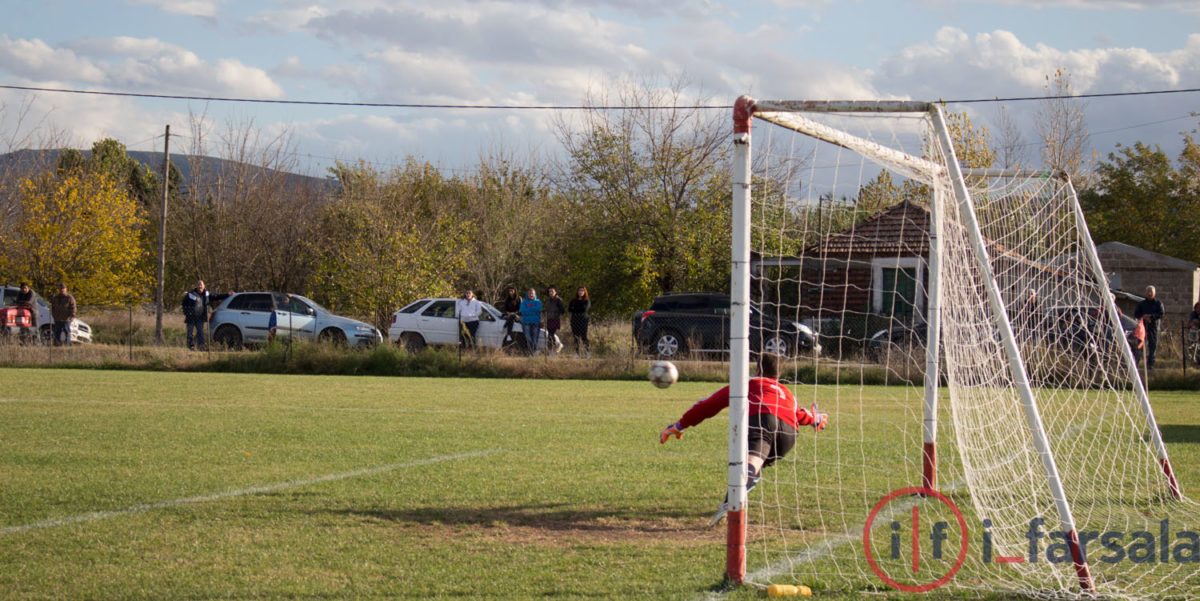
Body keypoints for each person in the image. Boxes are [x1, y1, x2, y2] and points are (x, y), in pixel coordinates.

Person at [659, 353, 828, 525]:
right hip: (789, 435)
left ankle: (730, 504)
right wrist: (816, 419)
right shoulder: (787, 392)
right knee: (753, 467)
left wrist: (680, 425)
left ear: (758, 369)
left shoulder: (749, 384)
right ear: (778, 374)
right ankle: (729, 502)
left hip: (764, 421)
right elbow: (801, 414)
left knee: (749, 463)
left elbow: (710, 404)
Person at [1134, 285, 1165, 370]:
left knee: (1152, 346)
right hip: (1142, 328)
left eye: (1151, 292)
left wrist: (1151, 317)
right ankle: (1135, 363)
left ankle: (1150, 365)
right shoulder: (1142, 304)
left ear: (1154, 293)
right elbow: (1136, 314)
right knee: (1139, 346)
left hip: (1154, 327)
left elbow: (1161, 314)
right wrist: (1143, 316)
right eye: (1148, 292)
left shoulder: (1158, 303)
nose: (1149, 293)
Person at [181, 279, 213, 350]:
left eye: (201, 284)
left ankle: (201, 346)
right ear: (196, 286)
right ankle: (191, 346)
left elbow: (216, 296)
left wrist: (227, 295)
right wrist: (186, 312)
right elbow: (183, 304)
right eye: (198, 284)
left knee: (200, 332)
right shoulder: (190, 294)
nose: (200, 286)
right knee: (190, 333)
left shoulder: (206, 294)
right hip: (191, 317)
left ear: (204, 286)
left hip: (200, 317)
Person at [568, 286, 591, 358]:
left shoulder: (587, 301)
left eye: (582, 291)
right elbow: (569, 309)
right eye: (579, 291)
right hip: (574, 320)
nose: (580, 292)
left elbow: (584, 309)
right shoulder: (573, 301)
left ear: (584, 292)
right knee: (576, 337)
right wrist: (578, 309)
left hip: (583, 320)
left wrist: (575, 309)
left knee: (584, 336)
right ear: (577, 292)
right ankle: (577, 353)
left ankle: (587, 352)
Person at [543, 285, 566, 355]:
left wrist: (556, 313)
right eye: (549, 291)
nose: (551, 292)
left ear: (555, 292)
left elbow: (562, 310)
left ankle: (555, 348)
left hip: (555, 319)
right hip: (549, 319)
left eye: (552, 291)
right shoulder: (548, 300)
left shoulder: (558, 300)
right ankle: (551, 350)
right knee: (549, 335)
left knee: (551, 334)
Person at [520, 288, 543, 355]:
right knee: (528, 338)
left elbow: (538, 309)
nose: (531, 294)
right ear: (527, 294)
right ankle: (532, 351)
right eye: (530, 293)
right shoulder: (524, 302)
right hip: (526, 322)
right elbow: (523, 311)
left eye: (532, 293)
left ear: (535, 294)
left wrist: (528, 310)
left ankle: (533, 352)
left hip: (535, 322)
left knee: (535, 338)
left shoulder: (538, 302)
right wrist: (532, 310)